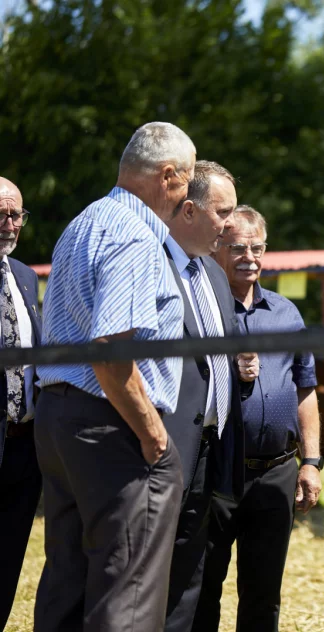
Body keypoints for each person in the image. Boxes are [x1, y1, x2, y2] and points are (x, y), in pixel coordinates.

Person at [34, 121, 193, 631]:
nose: (186, 195)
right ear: (168, 175)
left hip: (61, 420)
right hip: (112, 426)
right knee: (128, 590)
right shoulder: (134, 235)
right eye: (187, 180)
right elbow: (110, 352)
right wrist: (153, 436)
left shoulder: (84, 223)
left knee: (68, 580)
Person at [195, 205, 324, 632]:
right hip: (215, 470)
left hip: (276, 474)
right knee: (203, 588)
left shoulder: (287, 313)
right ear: (216, 249)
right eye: (237, 248)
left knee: (264, 595)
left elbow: (305, 388)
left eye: (257, 248)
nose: (249, 257)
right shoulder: (203, 313)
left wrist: (310, 462)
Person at [162, 161, 258, 631]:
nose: (230, 222)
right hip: (161, 446)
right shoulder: (151, 264)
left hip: (209, 448)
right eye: (223, 211)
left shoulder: (215, 276)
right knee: (148, 571)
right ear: (188, 210)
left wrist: (237, 373)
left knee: (189, 574)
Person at [0, 177, 43, 629]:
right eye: (2, 215)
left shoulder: (26, 277)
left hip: (24, 447)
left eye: (17, 215)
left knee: (9, 559)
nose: (10, 224)